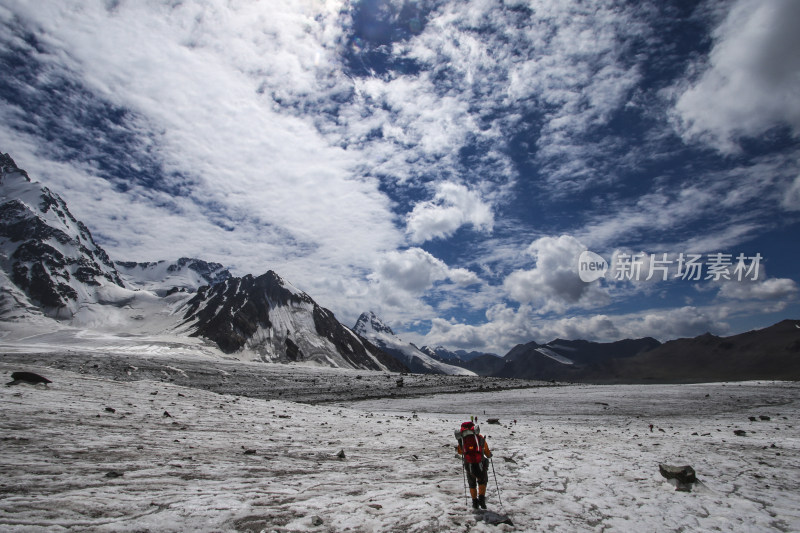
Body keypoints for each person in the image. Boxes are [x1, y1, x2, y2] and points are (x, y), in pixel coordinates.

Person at [455, 420, 492, 509]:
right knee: (482, 481)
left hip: (468, 464)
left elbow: (460, 451)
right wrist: (489, 455)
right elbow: (485, 449)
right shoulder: (479, 437)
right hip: (480, 463)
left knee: (472, 483)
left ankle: (474, 502)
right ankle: (482, 499)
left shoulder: (462, 440)